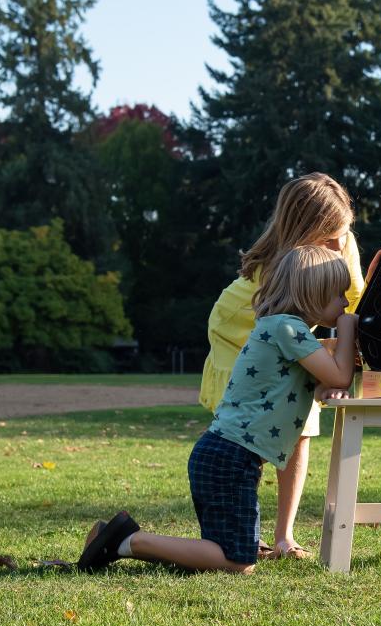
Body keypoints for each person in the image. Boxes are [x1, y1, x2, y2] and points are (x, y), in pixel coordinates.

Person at [78, 246, 358, 574]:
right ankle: (127, 540)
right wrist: (348, 327)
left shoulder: (284, 329)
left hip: (226, 456)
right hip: (229, 459)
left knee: (229, 553)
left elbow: (320, 382)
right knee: (239, 561)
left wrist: (327, 386)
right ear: (313, 295)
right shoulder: (288, 329)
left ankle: (120, 538)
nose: (345, 303)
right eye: (338, 294)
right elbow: (339, 373)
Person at [199, 173, 365, 559]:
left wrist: (335, 366)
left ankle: (284, 536)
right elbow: (297, 324)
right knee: (247, 429)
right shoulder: (282, 260)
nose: (339, 243)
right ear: (305, 227)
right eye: (329, 236)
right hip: (242, 323)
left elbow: (351, 301)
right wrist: (329, 366)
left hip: (294, 334)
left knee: (301, 427)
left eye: (344, 232)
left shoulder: (344, 244)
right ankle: (236, 528)